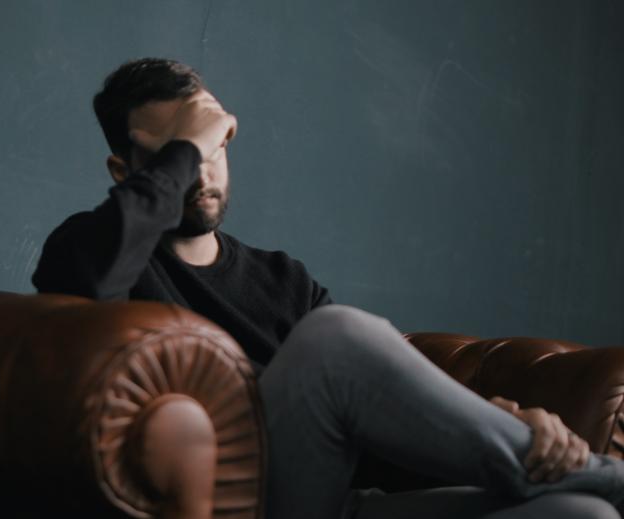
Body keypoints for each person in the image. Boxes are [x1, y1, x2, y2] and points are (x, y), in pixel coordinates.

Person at [31, 57, 624, 519]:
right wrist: (189, 145)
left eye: (215, 148)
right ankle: (604, 474)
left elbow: (370, 434)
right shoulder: (89, 249)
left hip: (335, 505)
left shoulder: (283, 279)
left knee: (579, 511)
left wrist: (488, 425)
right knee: (335, 336)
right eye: (181, 155)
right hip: (239, 505)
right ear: (125, 171)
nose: (204, 171)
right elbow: (89, 286)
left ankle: (578, 477)